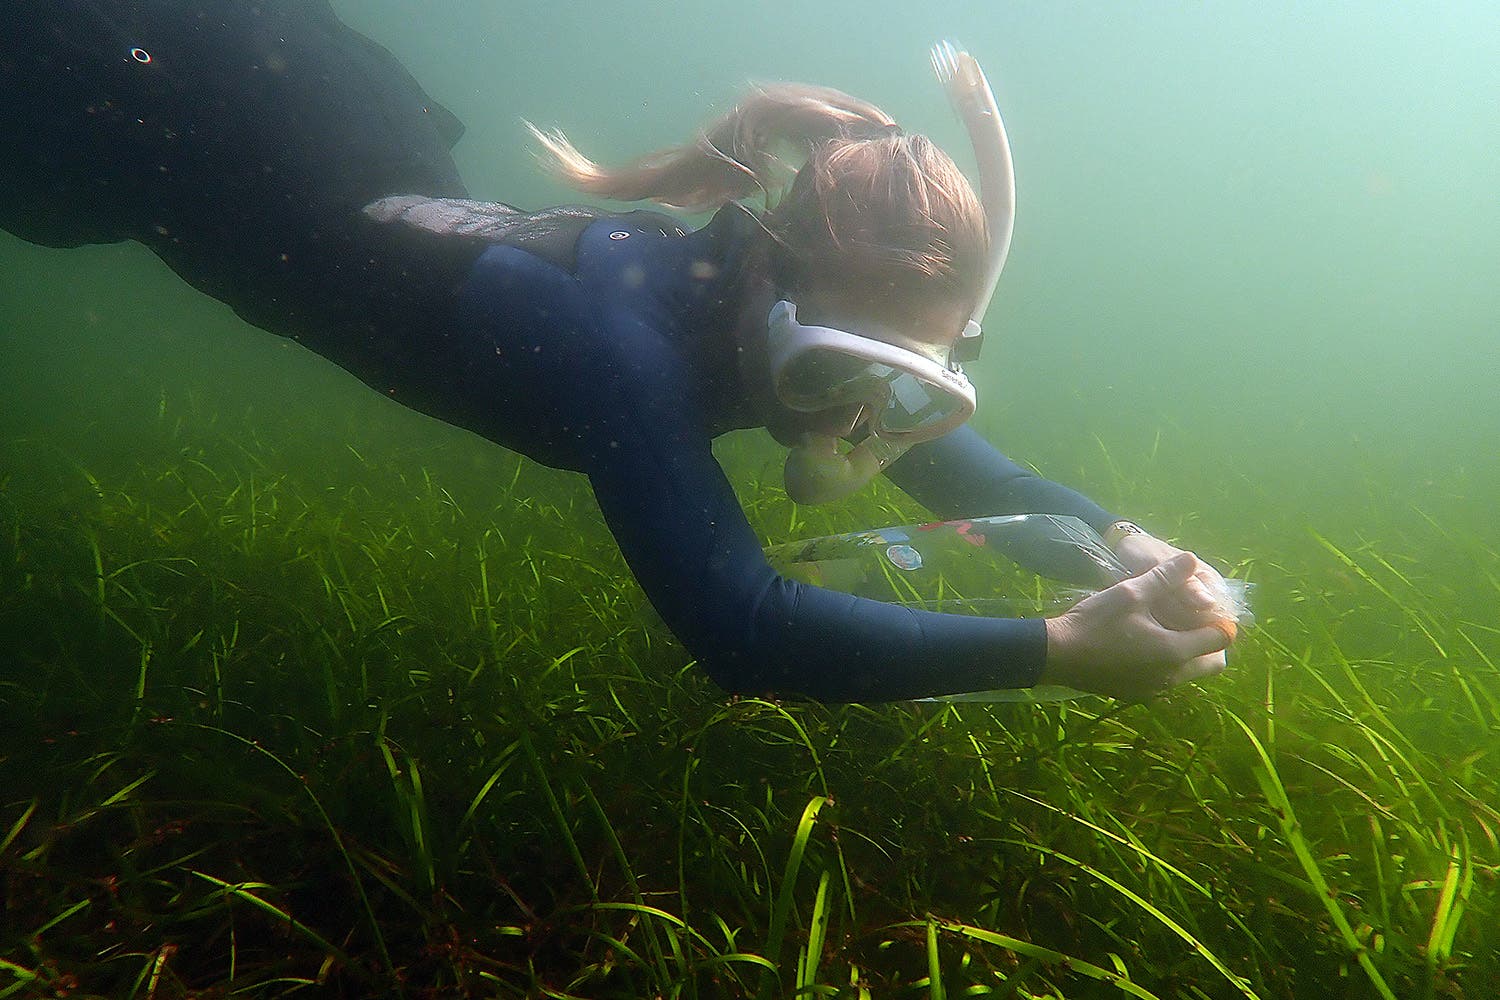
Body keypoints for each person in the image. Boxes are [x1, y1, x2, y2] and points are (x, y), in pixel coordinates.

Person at [1, 1, 1233, 703]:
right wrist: (1063, 649)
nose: (857, 429)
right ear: (765, 280)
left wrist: (1131, 544)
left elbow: (992, 483)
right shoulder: (615, 346)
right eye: (833, 375)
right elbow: (743, 626)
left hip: (343, 148)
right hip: (208, 142)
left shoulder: (765, 318)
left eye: (905, 390)